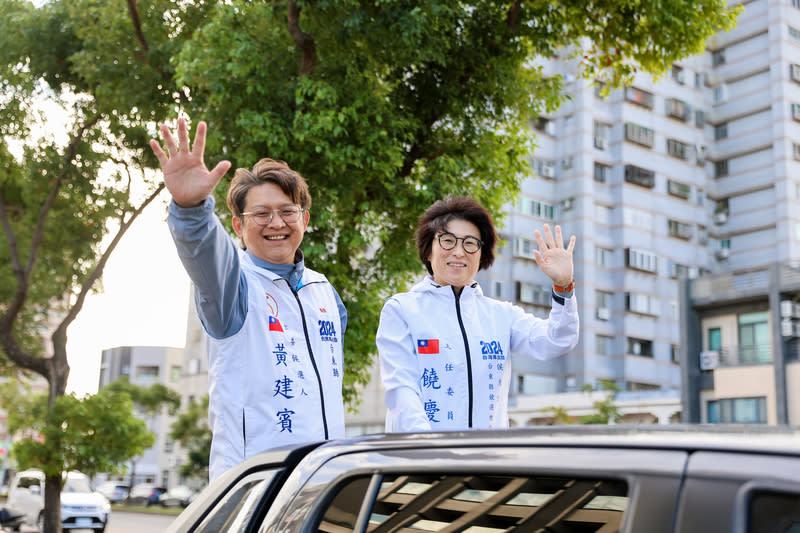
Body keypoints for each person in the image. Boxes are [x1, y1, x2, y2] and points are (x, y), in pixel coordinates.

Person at [149, 118, 347, 480]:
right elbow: (207, 254)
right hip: (255, 486)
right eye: (260, 214)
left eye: (287, 211)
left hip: (323, 484)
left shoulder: (325, 294)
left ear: (304, 219)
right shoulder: (232, 286)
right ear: (239, 226)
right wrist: (192, 209)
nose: (276, 223)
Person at [377, 196, 578, 432]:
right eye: (448, 241)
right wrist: (429, 452)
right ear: (428, 251)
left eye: (470, 243)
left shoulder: (501, 315)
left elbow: (557, 341)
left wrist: (563, 286)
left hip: (486, 461)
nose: (459, 252)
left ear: (482, 255)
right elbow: (402, 391)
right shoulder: (401, 310)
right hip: (423, 460)